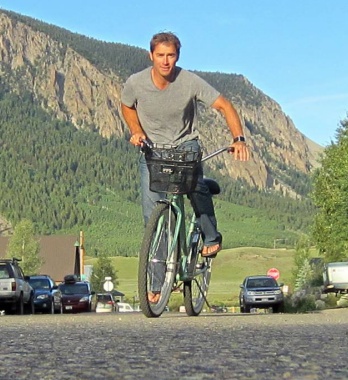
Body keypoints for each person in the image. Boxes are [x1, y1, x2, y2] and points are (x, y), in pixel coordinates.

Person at [121, 31, 249, 263]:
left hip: (184, 145)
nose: (165, 61)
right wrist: (136, 130)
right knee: (152, 217)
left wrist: (238, 138)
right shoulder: (135, 83)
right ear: (151, 56)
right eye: (160, 55)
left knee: (195, 186)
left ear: (177, 56)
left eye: (170, 55)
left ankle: (211, 237)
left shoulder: (189, 81)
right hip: (152, 149)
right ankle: (157, 283)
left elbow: (224, 106)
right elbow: (127, 106)